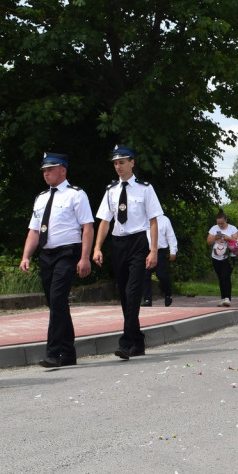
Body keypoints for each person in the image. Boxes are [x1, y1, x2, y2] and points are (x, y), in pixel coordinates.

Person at [19, 152, 94, 369]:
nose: (46, 173)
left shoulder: (76, 195)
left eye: (50, 169)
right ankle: (68, 353)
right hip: (47, 255)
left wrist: (85, 258)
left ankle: (53, 353)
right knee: (55, 304)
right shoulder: (41, 197)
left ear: (63, 170)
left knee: (58, 300)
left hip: (67, 254)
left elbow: (87, 227)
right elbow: (34, 230)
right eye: (44, 170)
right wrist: (26, 256)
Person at [93, 144, 163, 360]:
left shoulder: (145, 188)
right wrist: (97, 247)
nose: (118, 166)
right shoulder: (111, 190)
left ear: (132, 162)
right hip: (118, 243)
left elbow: (153, 221)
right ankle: (137, 341)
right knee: (124, 293)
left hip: (138, 242)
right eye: (115, 163)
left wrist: (153, 250)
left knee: (133, 291)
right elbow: (105, 221)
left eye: (122, 162)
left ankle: (125, 342)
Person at [142, 214, 177, 307]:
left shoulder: (164, 220)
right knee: (145, 274)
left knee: (161, 274)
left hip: (160, 251)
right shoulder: (143, 218)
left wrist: (173, 250)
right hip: (146, 250)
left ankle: (168, 294)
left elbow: (171, 236)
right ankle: (147, 299)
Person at [207, 210, 238, 306]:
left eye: (222, 223)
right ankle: (222, 297)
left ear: (226, 220)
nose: (220, 225)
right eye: (218, 223)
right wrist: (215, 238)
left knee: (226, 276)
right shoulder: (213, 228)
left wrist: (228, 238)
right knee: (220, 277)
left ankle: (227, 298)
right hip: (216, 256)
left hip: (229, 256)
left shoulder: (232, 228)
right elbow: (208, 242)